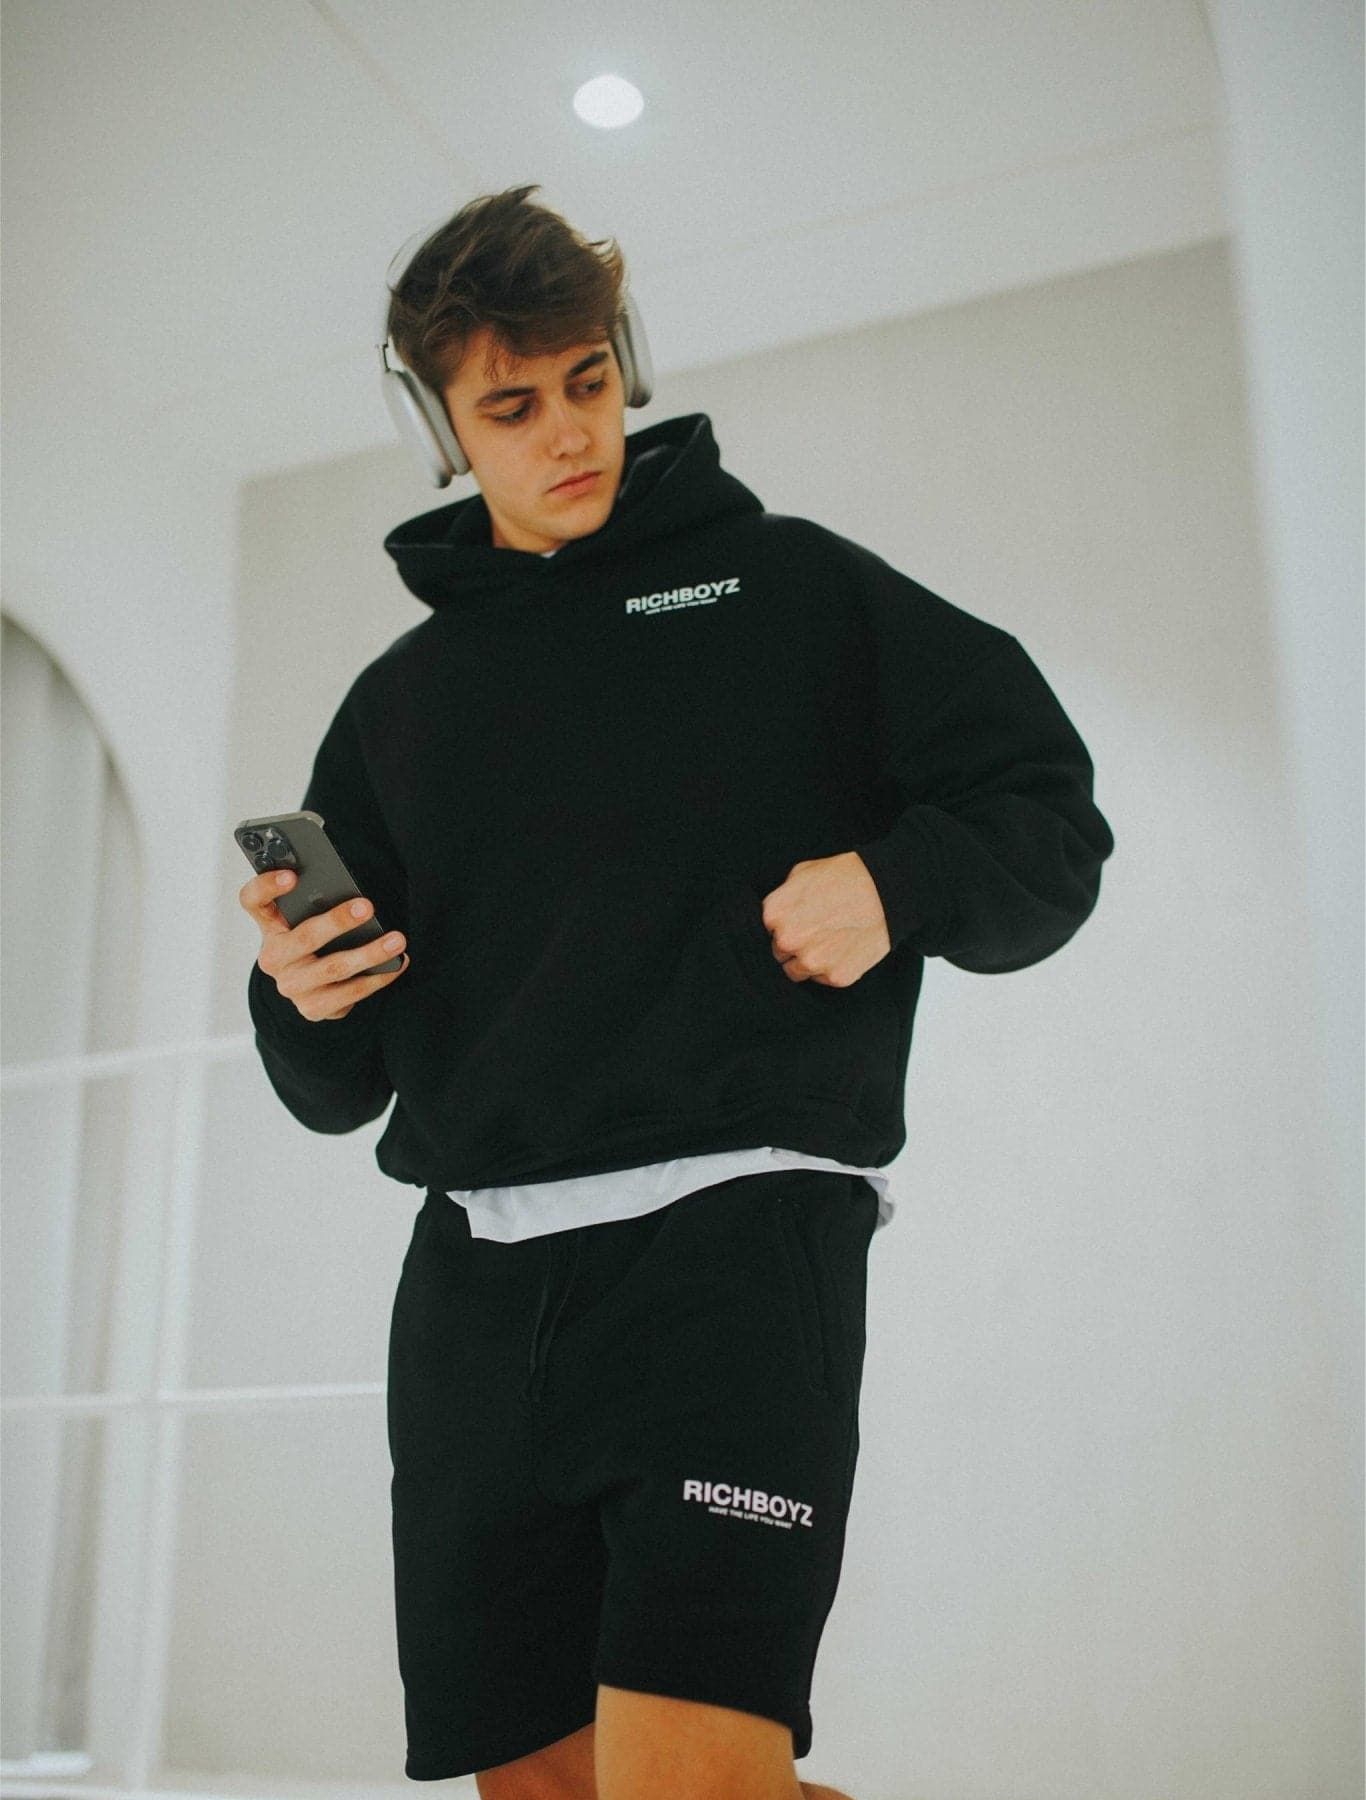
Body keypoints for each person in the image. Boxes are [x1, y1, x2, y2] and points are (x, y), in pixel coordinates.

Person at [240, 184, 1115, 1799]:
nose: (569, 432)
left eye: (587, 381)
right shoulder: (397, 706)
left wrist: (896, 884)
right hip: (474, 1294)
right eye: (511, 406)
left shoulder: (794, 591)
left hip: (735, 1249)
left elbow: (1045, 821)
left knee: (686, 1785)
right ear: (439, 423)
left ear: (623, 362)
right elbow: (335, 1084)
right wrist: (299, 990)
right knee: (542, 1791)